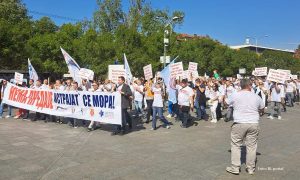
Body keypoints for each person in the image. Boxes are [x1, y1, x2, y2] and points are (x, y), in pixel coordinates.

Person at [226, 79, 265, 175]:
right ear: (250, 86)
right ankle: (250, 168)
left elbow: (226, 102)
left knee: (236, 145)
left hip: (239, 122)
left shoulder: (235, 94)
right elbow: (262, 108)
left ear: (241, 86)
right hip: (253, 123)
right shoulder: (256, 96)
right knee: (251, 146)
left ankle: (235, 167)